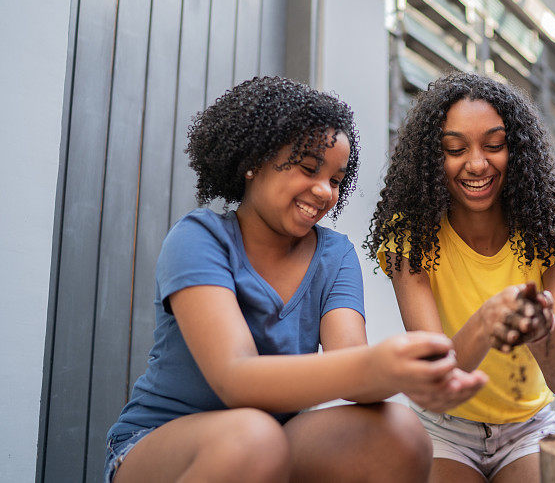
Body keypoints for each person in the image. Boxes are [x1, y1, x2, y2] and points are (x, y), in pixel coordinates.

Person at [104, 76, 487, 483]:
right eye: (308, 169)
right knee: (253, 439)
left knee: (401, 432)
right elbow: (236, 377)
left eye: (336, 180)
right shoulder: (200, 238)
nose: (324, 191)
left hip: (268, 439)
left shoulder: (334, 255)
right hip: (160, 446)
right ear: (253, 161)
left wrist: (411, 377)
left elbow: (352, 365)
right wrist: (378, 365)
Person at [365, 72, 555, 482]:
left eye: (494, 145)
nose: (478, 163)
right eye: (455, 149)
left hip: (529, 429)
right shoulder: (411, 232)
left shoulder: (550, 231)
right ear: (433, 157)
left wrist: (542, 331)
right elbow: (439, 382)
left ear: (515, 151)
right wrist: (488, 320)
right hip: (442, 428)